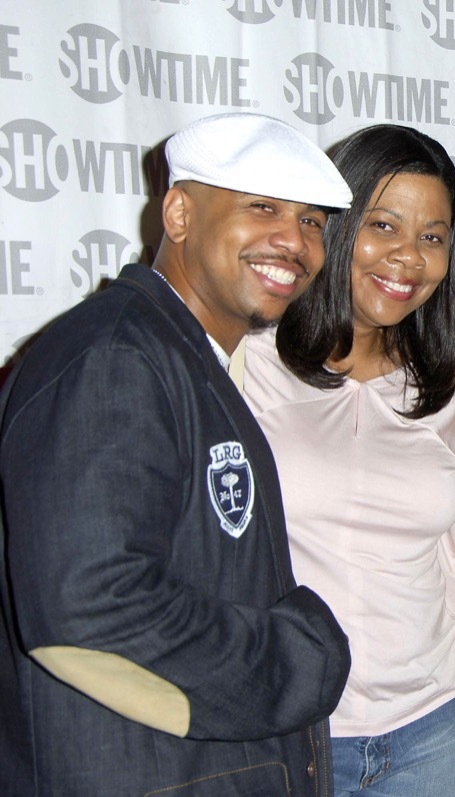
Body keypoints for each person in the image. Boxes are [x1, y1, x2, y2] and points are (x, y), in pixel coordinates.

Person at [0, 112, 353, 795]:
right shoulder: (115, 358)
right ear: (180, 212)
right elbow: (91, 606)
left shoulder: (175, 353)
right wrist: (298, 660)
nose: (296, 240)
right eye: (263, 207)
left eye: (312, 220)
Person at [240, 124, 455, 797]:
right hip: (295, 727)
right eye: (383, 225)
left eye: (433, 237)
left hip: (430, 725)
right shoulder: (252, 358)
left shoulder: (449, 375)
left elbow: (454, 544)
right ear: (337, 224)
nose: (408, 257)